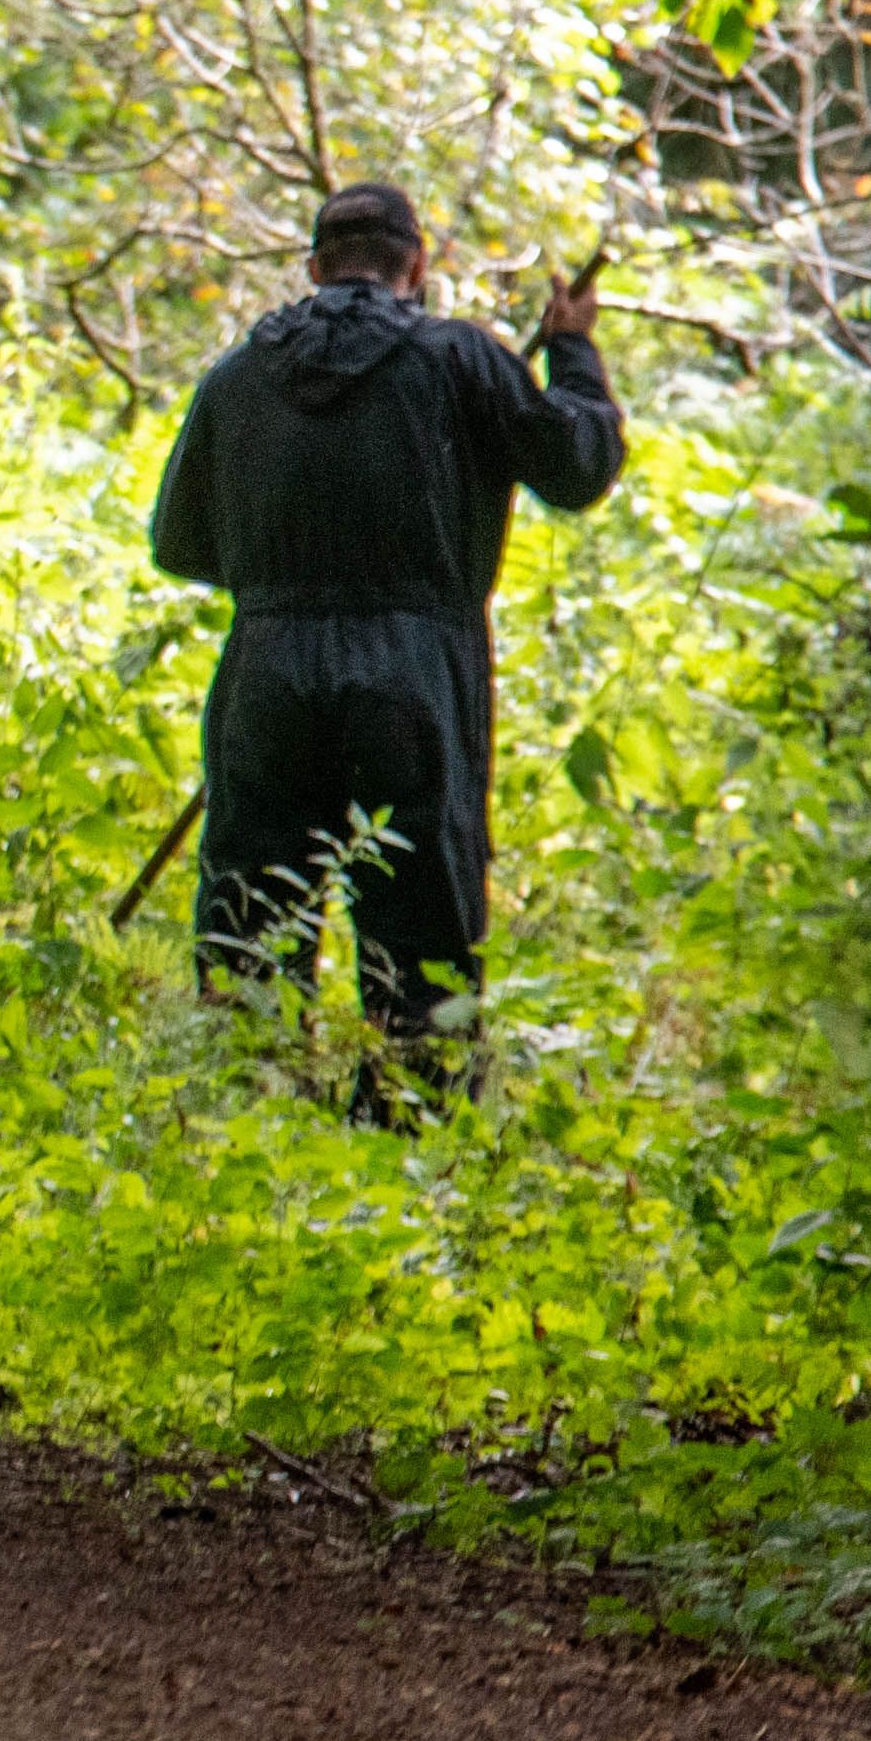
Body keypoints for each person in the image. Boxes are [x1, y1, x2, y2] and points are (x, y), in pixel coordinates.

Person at [147, 181, 624, 1083]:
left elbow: (177, 540)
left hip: (266, 677)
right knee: (420, 930)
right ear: (416, 265)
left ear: (315, 268)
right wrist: (571, 350)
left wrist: (284, 581)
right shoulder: (461, 360)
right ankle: (412, 1144)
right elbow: (574, 463)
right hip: (410, 677)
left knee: (251, 918)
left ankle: (254, 1128)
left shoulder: (236, 375)